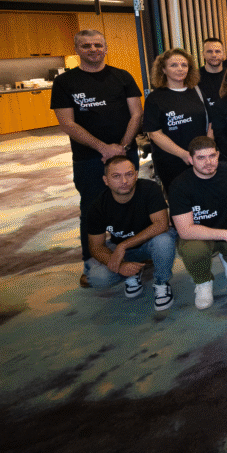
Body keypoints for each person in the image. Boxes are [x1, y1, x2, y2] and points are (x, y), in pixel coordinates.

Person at [51, 29, 143, 286]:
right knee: (92, 208)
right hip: (89, 159)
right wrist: (103, 148)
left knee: (130, 203)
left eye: (97, 44)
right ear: (77, 49)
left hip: (126, 153)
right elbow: (67, 123)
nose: (93, 49)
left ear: (105, 48)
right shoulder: (65, 82)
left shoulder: (122, 77)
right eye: (86, 45)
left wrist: (122, 147)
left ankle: (134, 254)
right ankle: (91, 261)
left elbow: (137, 114)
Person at [169, 136, 227, 309]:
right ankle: (203, 281)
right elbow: (185, 230)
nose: (208, 162)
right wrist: (225, 235)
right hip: (200, 235)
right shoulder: (179, 185)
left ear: (218, 155)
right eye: (201, 158)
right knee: (193, 252)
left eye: (212, 156)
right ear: (191, 159)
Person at [85, 156, 176, 311]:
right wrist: (120, 266)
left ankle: (161, 283)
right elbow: (96, 246)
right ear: (106, 180)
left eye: (129, 174)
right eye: (116, 176)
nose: (124, 181)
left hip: (149, 244)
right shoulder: (97, 207)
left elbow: (161, 225)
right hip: (122, 250)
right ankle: (131, 274)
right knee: (98, 277)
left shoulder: (149, 189)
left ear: (136, 175)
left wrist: (123, 245)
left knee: (165, 240)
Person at [143, 48, 212, 188]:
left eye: (184, 65)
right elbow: (154, 134)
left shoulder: (197, 92)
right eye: (173, 65)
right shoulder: (155, 98)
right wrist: (184, 155)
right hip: (171, 162)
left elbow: (210, 122)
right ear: (163, 69)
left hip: (202, 159)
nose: (180, 69)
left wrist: (207, 150)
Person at [197, 36, 225, 109]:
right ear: (203, 54)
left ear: (223, 54)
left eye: (217, 51)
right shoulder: (195, 77)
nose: (214, 55)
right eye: (209, 51)